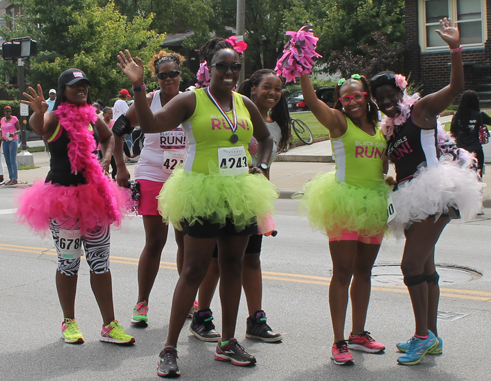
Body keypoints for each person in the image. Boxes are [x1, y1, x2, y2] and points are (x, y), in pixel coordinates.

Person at [117, 37, 277, 378]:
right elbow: (149, 124)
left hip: (238, 193)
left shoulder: (244, 102)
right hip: (201, 192)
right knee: (194, 270)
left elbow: (265, 139)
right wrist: (139, 87)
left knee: (233, 266)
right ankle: (169, 348)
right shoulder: (192, 100)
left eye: (235, 66)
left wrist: (262, 166)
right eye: (223, 66)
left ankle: (228, 341)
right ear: (210, 68)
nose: (230, 72)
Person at [370, 18, 482, 365]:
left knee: (410, 267)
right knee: (427, 269)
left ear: (402, 93)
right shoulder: (390, 127)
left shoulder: (420, 110)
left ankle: (421, 336)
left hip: (433, 193)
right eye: (382, 99)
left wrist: (454, 49)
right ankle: (430, 336)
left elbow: (456, 87)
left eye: (392, 95)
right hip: (409, 200)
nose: (388, 102)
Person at [16, 68, 135, 346]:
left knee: (100, 263)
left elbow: (109, 138)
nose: (81, 89)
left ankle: (109, 326)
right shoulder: (55, 117)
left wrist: (108, 159)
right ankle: (69, 321)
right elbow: (40, 126)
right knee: (68, 263)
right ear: (64, 90)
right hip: (63, 201)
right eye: (74, 86)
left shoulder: (92, 117)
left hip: (94, 198)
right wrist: (37, 111)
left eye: (84, 85)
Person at [189, 69, 291, 343]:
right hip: (220, 196)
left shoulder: (275, 125)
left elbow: (265, 160)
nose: (272, 93)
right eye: (267, 87)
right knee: (215, 262)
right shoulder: (235, 112)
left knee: (252, 258)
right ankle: (202, 314)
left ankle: (256, 319)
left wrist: (262, 180)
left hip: (252, 199)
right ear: (253, 89)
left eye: (278, 89)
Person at [298, 70, 390, 364]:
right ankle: (339, 341)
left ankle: (358, 334)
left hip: (374, 203)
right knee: (342, 272)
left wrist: (389, 180)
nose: (352, 102)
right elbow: (312, 102)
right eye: (346, 98)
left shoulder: (380, 127)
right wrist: (303, 73)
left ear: (367, 96)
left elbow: (385, 164)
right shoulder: (339, 123)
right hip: (344, 202)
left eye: (357, 96)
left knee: (364, 272)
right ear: (340, 101)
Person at [112, 50, 189, 328]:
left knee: (186, 241)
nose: (169, 79)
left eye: (173, 74)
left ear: (181, 74)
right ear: (156, 78)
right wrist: (120, 166)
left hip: (185, 180)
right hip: (153, 175)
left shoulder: (191, 100)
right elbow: (118, 129)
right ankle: (142, 302)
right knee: (156, 241)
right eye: (163, 75)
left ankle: (188, 299)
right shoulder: (149, 100)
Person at [451, 90, 491, 178]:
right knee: (477, 176)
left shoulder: (457, 116)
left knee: (462, 177)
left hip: (461, 151)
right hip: (476, 150)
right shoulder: (480, 115)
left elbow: (452, 132)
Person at [0, 105, 20, 185]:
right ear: (4, 112)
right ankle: (11, 177)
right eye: (6, 111)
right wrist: (1, 137)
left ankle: (14, 178)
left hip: (12, 140)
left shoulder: (14, 119)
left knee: (12, 160)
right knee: (7, 160)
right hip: (5, 141)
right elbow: (2, 130)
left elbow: (19, 130)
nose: (8, 113)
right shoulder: (2, 120)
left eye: (9, 111)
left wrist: (13, 134)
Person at [114, 88, 132, 156]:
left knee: (120, 141)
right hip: (123, 124)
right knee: (128, 141)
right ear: (125, 96)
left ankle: (123, 156)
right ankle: (128, 156)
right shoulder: (122, 102)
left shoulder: (116, 102)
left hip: (116, 124)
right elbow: (127, 112)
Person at [102, 107, 118, 179]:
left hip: (113, 147)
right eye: (109, 113)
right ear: (104, 114)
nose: (110, 115)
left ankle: (114, 180)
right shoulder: (101, 123)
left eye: (111, 113)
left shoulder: (114, 122)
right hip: (102, 148)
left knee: (115, 165)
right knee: (104, 166)